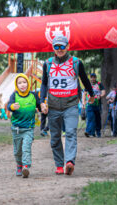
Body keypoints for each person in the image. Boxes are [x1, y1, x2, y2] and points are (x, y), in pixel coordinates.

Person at [40, 35, 95, 175]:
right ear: (53, 48)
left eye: (62, 46)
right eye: (56, 46)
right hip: (53, 106)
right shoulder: (48, 63)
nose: (59, 49)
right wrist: (42, 101)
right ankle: (59, 164)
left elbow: (84, 79)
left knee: (70, 132)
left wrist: (92, 94)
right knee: (55, 137)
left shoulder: (76, 62)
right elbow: (44, 83)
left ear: (67, 47)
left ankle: (69, 162)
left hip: (70, 104)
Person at [7, 74, 40, 178]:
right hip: (16, 128)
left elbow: (39, 104)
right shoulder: (14, 95)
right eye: (19, 83)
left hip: (28, 128)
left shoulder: (33, 95)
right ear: (16, 85)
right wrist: (12, 106)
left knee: (26, 148)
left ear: (28, 83)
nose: (22, 85)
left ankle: (26, 166)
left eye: (24, 82)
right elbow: (9, 106)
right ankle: (19, 165)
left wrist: (43, 108)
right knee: (17, 151)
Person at [83, 73, 105, 138]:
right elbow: (84, 94)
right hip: (89, 104)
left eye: (94, 77)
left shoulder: (99, 84)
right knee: (90, 118)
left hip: (97, 104)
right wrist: (84, 103)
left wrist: (100, 96)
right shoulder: (88, 84)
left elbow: (103, 92)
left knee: (98, 119)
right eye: (91, 77)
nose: (93, 78)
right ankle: (89, 132)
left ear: (95, 78)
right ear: (90, 78)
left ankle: (98, 132)